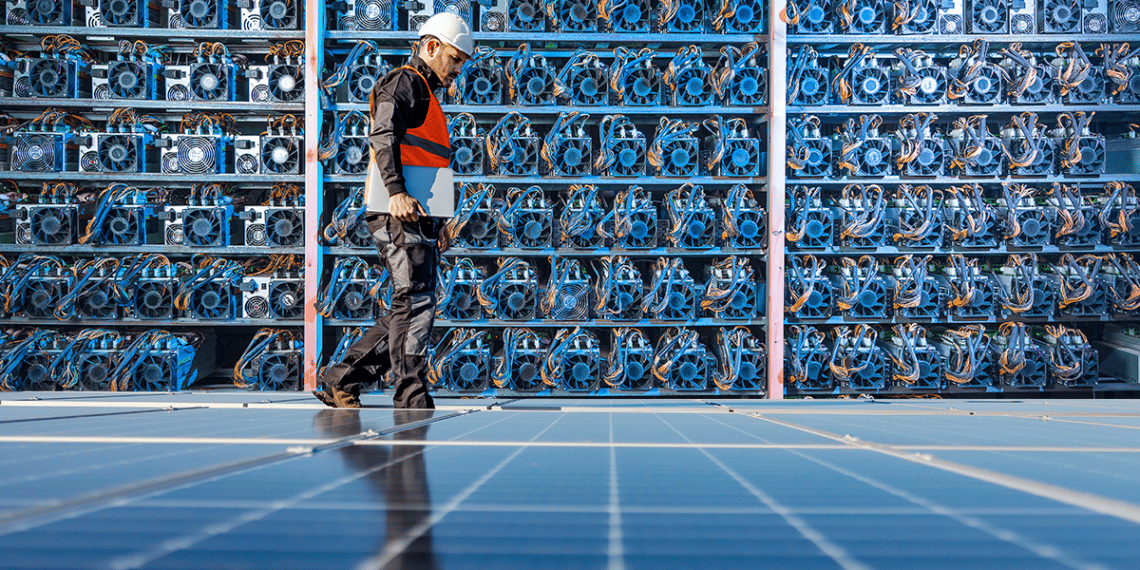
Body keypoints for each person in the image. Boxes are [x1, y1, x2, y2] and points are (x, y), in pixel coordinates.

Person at [314, 13, 473, 409]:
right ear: (431, 46)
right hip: (396, 210)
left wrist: (437, 221)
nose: (457, 70)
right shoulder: (403, 83)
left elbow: (424, 160)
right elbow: (383, 136)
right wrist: (397, 193)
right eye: (454, 59)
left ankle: (343, 380)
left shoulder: (425, 93)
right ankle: (411, 394)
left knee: (413, 300)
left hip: (415, 214)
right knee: (414, 300)